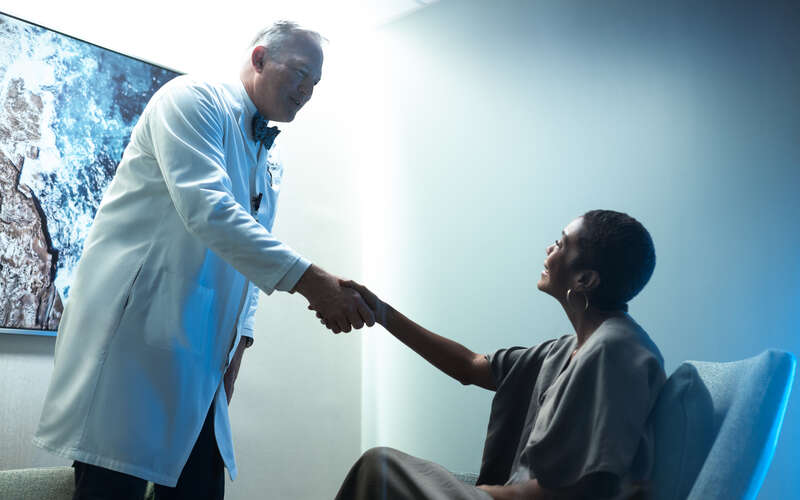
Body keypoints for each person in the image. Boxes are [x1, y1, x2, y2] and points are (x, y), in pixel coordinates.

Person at [33, 21, 373, 500]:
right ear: (258, 59)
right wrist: (313, 281)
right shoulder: (193, 100)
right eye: (299, 72)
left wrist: (240, 345)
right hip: (133, 346)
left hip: (201, 363)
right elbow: (208, 209)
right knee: (113, 483)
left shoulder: (267, 156)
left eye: (314, 83)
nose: (306, 90)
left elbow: (250, 252)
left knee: (201, 488)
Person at [330, 210, 666, 500]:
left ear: (585, 279)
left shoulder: (617, 352)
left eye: (561, 243)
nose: (549, 250)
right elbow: (470, 366)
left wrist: (476, 493)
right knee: (383, 470)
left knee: (380, 469)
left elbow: (582, 489)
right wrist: (381, 312)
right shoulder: (567, 348)